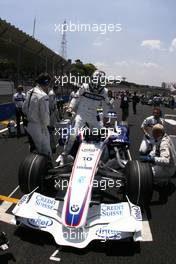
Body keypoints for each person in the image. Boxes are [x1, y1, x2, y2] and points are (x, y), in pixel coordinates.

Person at [59, 70, 111, 166]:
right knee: (73, 134)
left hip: (94, 115)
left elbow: (105, 105)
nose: (97, 84)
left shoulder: (104, 91)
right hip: (81, 114)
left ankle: (100, 159)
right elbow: (76, 97)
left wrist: (106, 117)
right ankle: (64, 155)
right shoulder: (84, 87)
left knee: (103, 136)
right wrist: (71, 107)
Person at [22, 73, 52, 157]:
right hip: (39, 127)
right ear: (46, 83)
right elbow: (45, 117)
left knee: (33, 151)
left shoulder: (29, 92)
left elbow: (24, 109)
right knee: (46, 152)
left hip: (29, 125)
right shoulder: (43, 96)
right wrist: (47, 126)